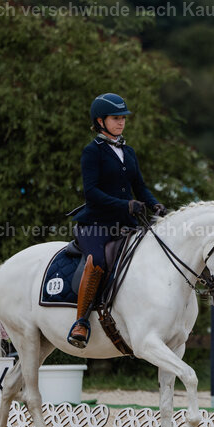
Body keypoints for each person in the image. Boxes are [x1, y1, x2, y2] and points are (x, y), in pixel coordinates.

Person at [67, 93, 166, 347]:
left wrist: (154, 203)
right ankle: (81, 322)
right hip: (95, 224)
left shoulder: (128, 151)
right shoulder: (93, 152)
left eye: (123, 118)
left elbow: (140, 187)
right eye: (115, 118)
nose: (121, 122)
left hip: (125, 224)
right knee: (98, 261)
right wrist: (125, 204)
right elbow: (92, 193)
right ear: (100, 121)